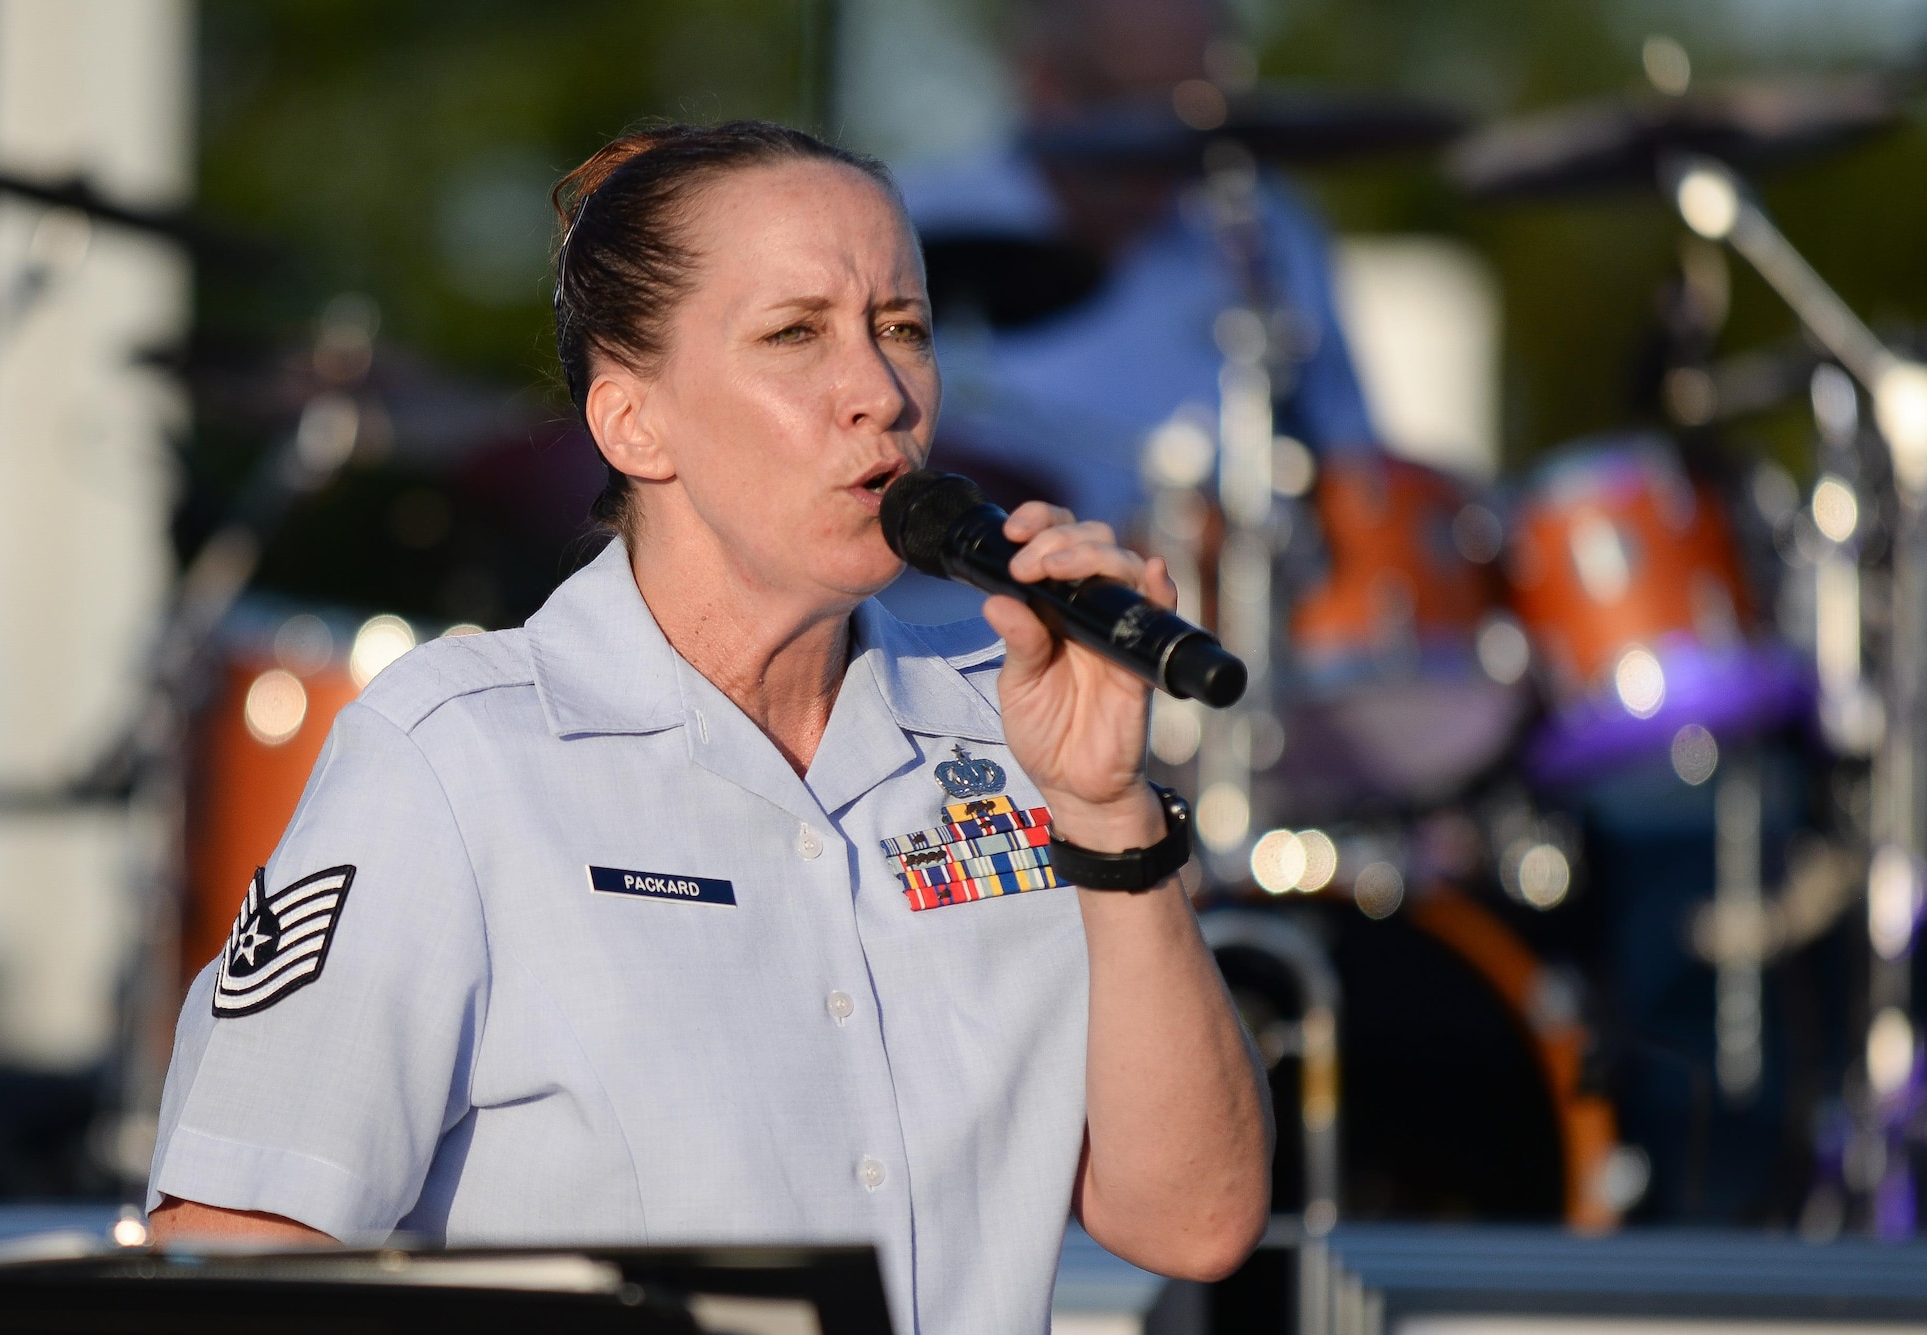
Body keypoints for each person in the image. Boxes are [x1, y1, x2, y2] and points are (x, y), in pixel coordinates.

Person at [146, 121, 1271, 1334]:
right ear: (633, 424)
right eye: (796, 335)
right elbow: (227, 1259)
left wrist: (1108, 815)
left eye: (901, 328)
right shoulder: (457, 760)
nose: (880, 395)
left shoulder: (1007, 737)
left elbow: (1191, 1224)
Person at [882, 0, 1379, 622]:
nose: (1165, 145)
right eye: (1129, 104)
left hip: (1233, 643)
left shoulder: (1265, 237)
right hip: (961, 645)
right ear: (1044, 85)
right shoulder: (910, 227)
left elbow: (1355, 473)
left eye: (1195, 115)